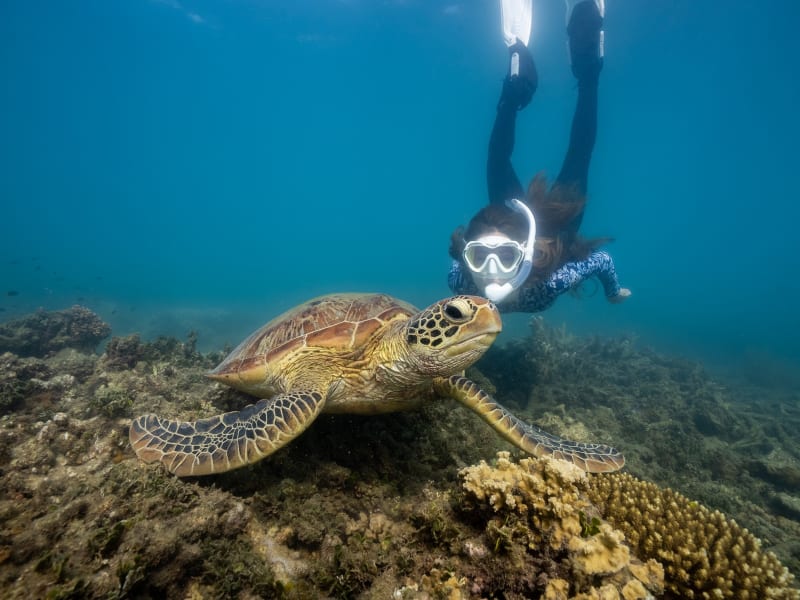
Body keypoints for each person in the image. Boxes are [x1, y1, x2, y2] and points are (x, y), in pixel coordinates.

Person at [448, 0, 631, 312]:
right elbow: (600, 261)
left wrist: (613, 291)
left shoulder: (546, 281)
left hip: (518, 222)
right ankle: (589, 72)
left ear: (524, 253)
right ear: (468, 257)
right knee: (579, 153)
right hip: (559, 227)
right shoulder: (467, 280)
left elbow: (602, 260)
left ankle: (516, 81)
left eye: (505, 256)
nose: (491, 269)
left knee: (497, 159)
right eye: (479, 256)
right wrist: (612, 291)